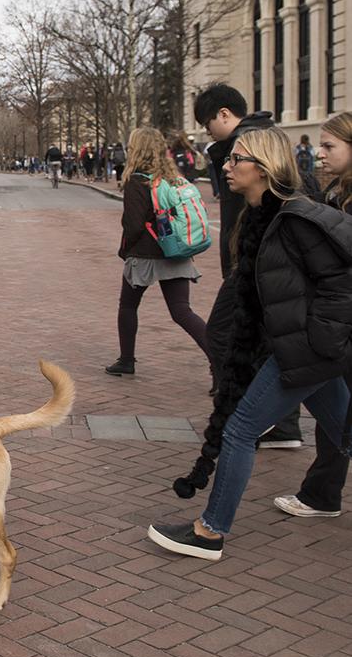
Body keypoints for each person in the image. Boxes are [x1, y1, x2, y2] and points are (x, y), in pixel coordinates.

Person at [149, 127, 352, 561]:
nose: (225, 164)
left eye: (235, 158)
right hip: (306, 350)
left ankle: (209, 531)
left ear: (261, 168)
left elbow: (339, 285)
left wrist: (320, 340)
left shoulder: (296, 218)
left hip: (308, 351)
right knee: (342, 431)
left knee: (240, 429)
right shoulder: (260, 216)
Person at [193, 84, 298, 445]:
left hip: (254, 264)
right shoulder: (248, 139)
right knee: (269, 342)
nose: (228, 165)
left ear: (224, 113)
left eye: (209, 124)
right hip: (251, 261)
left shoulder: (253, 141)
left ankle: (253, 414)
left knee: (225, 334)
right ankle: (280, 424)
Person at [270, 113, 352, 520]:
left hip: (341, 322)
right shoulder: (337, 193)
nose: (320, 154)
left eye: (330, 147)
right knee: (337, 408)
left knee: (338, 407)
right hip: (338, 322)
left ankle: (322, 494)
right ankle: (322, 493)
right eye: (320, 145)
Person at [105, 127, 210, 377]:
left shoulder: (137, 181)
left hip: (144, 255)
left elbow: (133, 226)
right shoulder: (172, 177)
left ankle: (127, 360)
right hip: (175, 251)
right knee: (182, 311)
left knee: (128, 307)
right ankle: (220, 361)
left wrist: (125, 251)